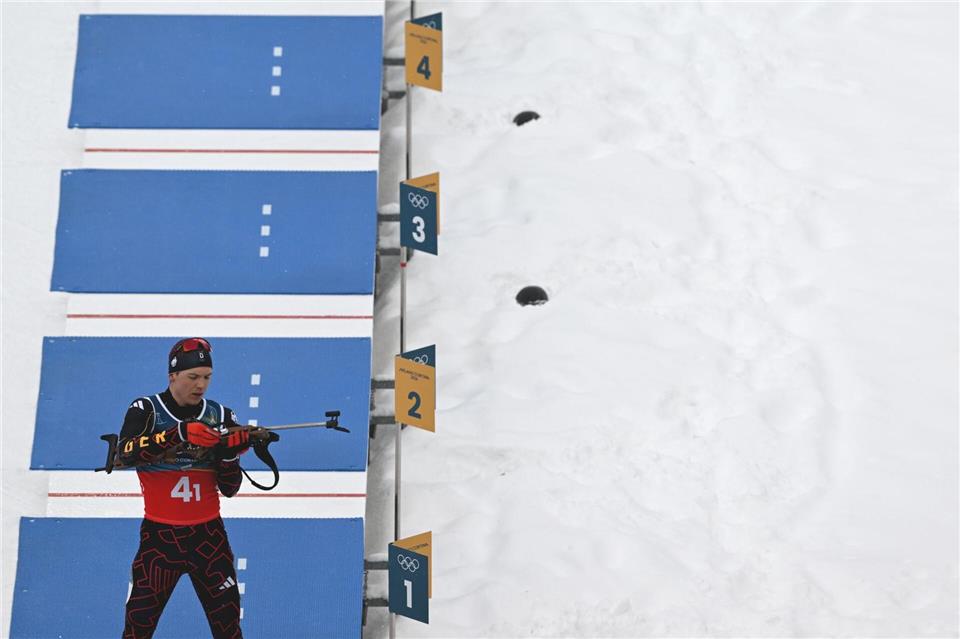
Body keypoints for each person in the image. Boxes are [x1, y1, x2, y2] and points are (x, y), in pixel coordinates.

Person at [117, 337, 250, 639]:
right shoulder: (146, 409)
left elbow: (230, 489)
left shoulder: (221, 415)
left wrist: (229, 455)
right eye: (193, 377)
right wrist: (176, 434)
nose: (200, 385)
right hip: (160, 540)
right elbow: (124, 453)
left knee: (228, 626)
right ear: (172, 375)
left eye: (206, 377)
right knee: (138, 625)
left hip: (209, 537)